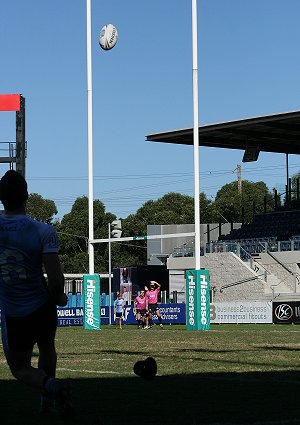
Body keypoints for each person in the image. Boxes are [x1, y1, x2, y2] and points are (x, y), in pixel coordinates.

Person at [0, 170, 72, 416]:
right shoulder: (43, 231)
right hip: (42, 305)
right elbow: (55, 277)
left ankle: (51, 387)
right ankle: (48, 400)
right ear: (27, 196)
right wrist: (60, 297)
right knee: (47, 347)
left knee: (19, 369)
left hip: (14, 310)